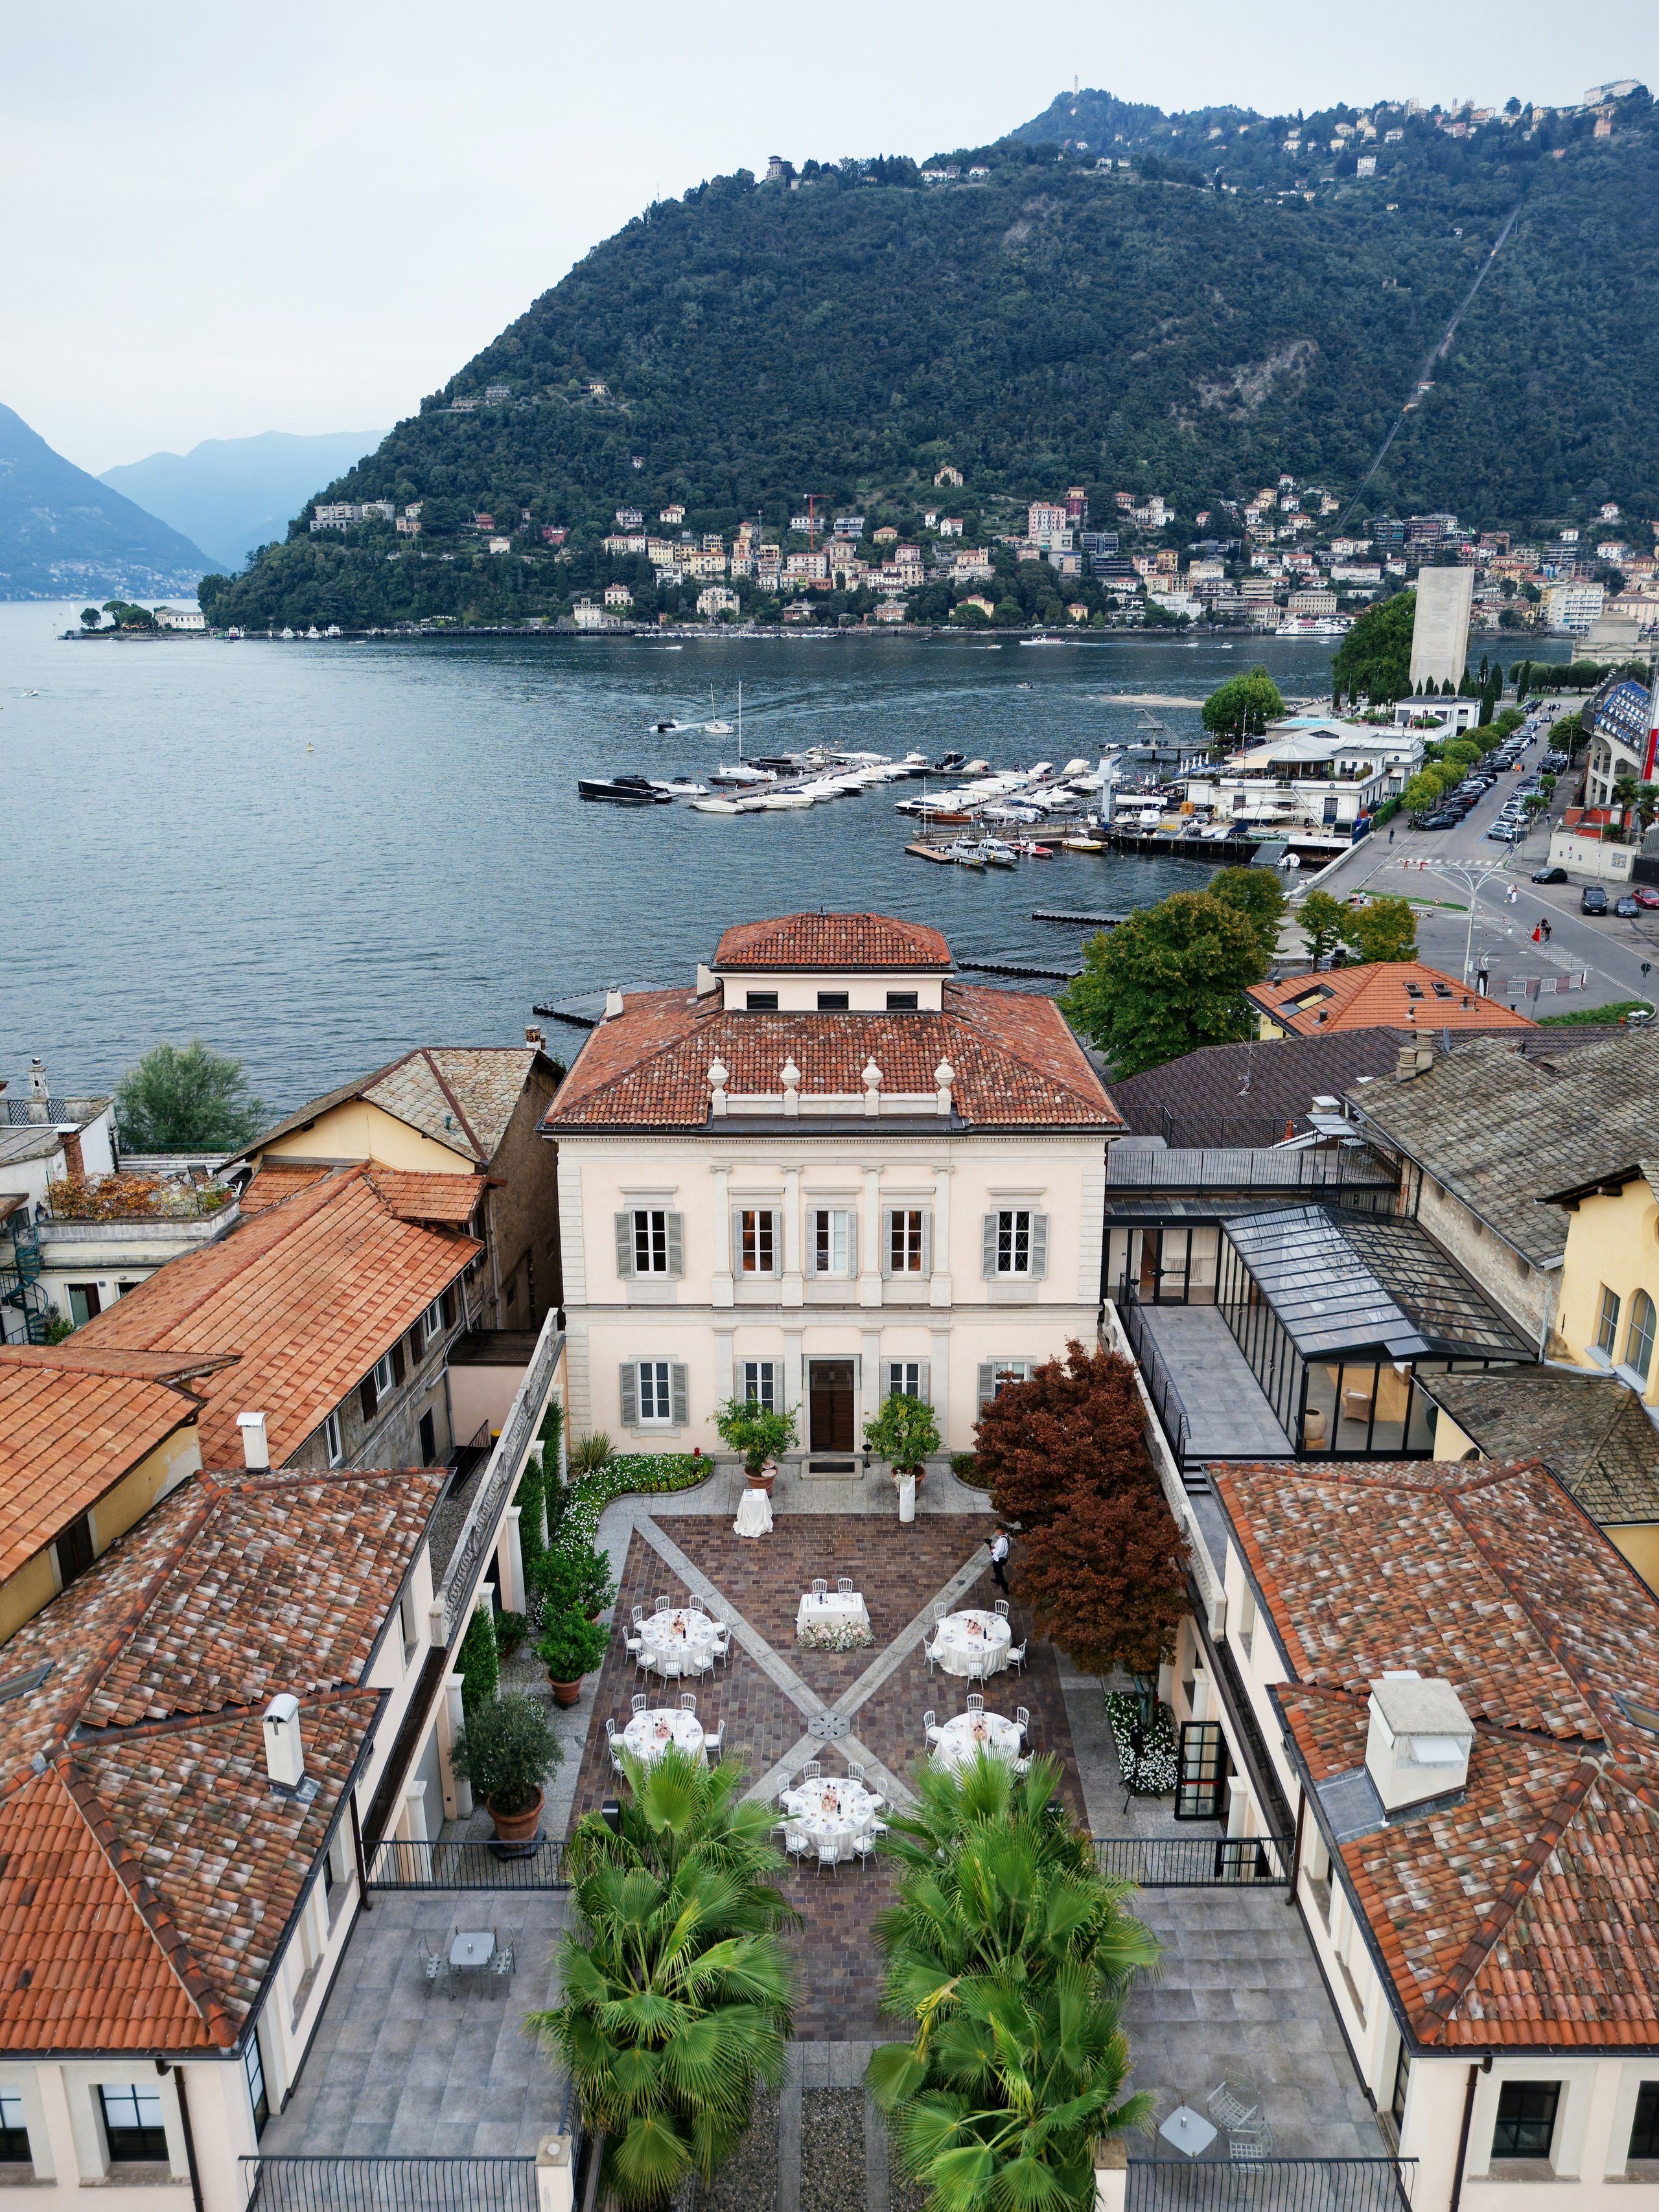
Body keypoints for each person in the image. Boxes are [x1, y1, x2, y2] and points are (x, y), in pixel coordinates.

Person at [988, 1527, 1010, 1593]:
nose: (997, 1533)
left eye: (998, 1531)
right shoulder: (1005, 1537)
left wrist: (993, 1550)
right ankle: (997, 1580)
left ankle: (1005, 1587)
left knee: (999, 1573)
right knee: (997, 1571)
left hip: (999, 1559)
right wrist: (995, 1546)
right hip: (1002, 1558)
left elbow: (1000, 1552)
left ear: (1002, 1532)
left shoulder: (1002, 1540)